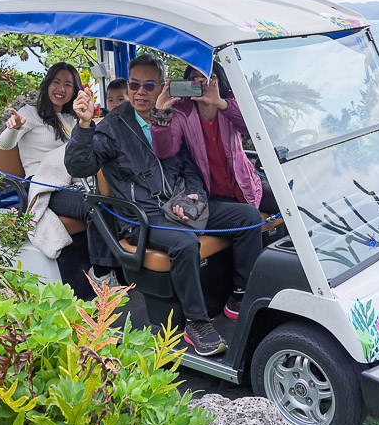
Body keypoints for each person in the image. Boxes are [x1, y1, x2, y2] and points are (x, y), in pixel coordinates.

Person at [65, 53, 263, 357]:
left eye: (148, 85)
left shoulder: (172, 118)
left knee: (248, 216)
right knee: (184, 243)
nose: (140, 92)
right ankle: (197, 322)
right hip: (143, 216)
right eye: (134, 85)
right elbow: (80, 165)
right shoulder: (113, 126)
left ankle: (241, 295)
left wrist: (192, 195)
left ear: (162, 88)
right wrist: (84, 124)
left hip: (180, 207)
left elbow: (189, 166)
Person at [0, 62, 116, 290]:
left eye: (68, 84)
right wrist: (13, 127)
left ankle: (117, 266)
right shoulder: (29, 114)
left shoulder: (73, 119)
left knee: (112, 202)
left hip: (73, 183)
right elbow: (4, 145)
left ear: (75, 91)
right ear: (47, 84)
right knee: (96, 206)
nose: (61, 88)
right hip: (45, 186)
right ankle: (102, 275)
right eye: (56, 82)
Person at [152, 62, 278, 220]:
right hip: (210, 192)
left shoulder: (231, 102)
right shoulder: (182, 111)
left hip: (246, 185)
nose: (199, 82)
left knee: (287, 201)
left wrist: (221, 103)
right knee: (247, 217)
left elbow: (253, 129)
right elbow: (165, 151)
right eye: (193, 79)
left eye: (205, 77)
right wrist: (160, 114)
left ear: (219, 81)